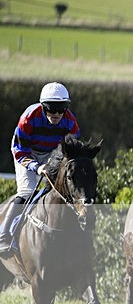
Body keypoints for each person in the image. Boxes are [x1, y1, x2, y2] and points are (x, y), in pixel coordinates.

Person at [1, 82, 80, 256]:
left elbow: (70, 152)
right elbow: (20, 150)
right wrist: (36, 167)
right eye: (52, 109)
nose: (57, 114)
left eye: (61, 109)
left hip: (52, 153)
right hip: (26, 151)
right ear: (43, 106)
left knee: (58, 191)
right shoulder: (29, 117)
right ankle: (4, 235)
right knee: (27, 191)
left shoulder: (70, 122)